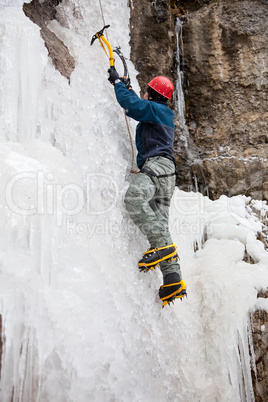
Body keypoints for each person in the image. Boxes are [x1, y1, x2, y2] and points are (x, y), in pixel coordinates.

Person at [108, 67, 186, 306]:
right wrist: (129, 88)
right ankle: (173, 278)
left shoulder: (155, 109)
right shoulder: (162, 113)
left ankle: (163, 249)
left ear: (151, 94)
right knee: (160, 222)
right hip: (167, 174)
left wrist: (117, 83)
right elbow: (140, 104)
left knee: (133, 199)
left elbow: (131, 106)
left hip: (157, 168)